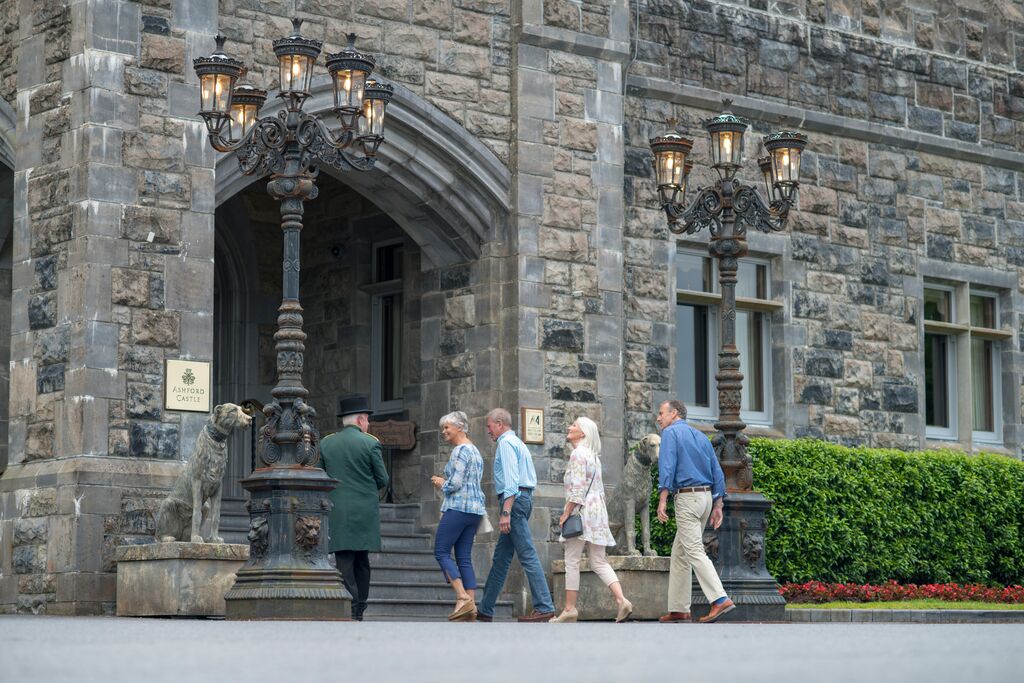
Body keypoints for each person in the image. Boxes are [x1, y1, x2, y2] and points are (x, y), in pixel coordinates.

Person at [655, 399, 735, 623]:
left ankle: (720, 599)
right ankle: (679, 609)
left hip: (688, 497)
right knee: (680, 553)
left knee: (693, 550)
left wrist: (662, 499)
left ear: (675, 414)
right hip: (706, 498)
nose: (658, 418)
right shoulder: (700, 436)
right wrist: (718, 504)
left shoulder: (671, 433)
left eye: (662, 413)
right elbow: (716, 470)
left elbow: (667, 465)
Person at [551, 416, 633, 623]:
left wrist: (566, 513)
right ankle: (622, 600)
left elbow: (577, 490)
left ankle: (569, 609)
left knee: (572, 560)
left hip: (582, 511)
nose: (569, 427)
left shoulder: (578, 454)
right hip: (597, 512)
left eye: (574, 425)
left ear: (583, 433)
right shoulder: (593, 457)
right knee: (598, 561)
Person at [477, 408, 556, 622]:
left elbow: (511, 480)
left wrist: (505, 512)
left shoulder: (505, 443)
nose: (488, 431)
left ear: (500, 423)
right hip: (523, 499)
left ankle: (544, 606)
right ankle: (485, 609)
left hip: (514, 501)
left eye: (490, 426)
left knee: (527, 554)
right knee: (501, 558)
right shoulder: (518, 442)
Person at [320, 395, 390, 621]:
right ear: (360, 420)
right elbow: (383, 479)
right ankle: (359, 606)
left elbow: (320, 476)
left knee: (344, 560)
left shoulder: (326, 442)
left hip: (338, 508)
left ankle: (350, 604)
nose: (368, 424)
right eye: (367, 420)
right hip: (365, 509)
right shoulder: (371, 443)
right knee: (362, 560)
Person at [430, 411, 486, 622]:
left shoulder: (460, 451)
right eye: (443, 427)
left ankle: (462, 597)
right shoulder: (476, 451)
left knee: (441, 552)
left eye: (447, 427)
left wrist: (440, 482)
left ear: (460, 428)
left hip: (459, 508)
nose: (444, 431)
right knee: (463, 558)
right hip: (475, 511)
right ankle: (469, 608)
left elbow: (455, 484)